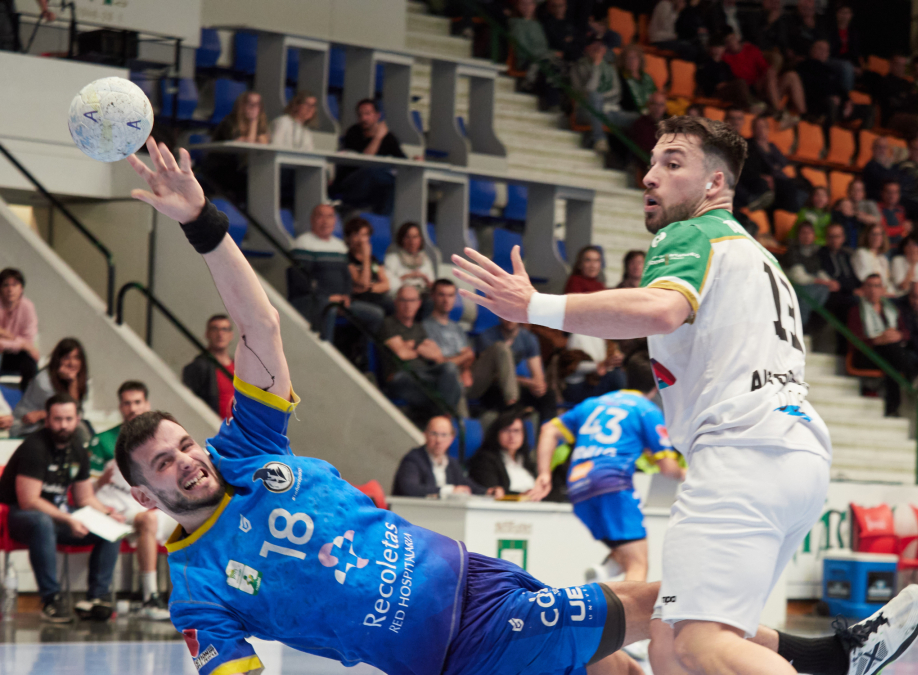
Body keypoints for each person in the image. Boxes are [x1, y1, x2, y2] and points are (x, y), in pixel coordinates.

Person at [113, 137, 656, 675]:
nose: (186, 460)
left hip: (477, 575)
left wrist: (202, 223)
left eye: (184, 444)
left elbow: (261, 325)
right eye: (163, 462)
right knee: (665, 609)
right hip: (458, 645)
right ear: (143, 496)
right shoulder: (196, 590)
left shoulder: (246, 448)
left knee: (618, 670)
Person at [449, 115, 918, 675]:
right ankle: (834, 657)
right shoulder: (760, 256)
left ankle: (834, 660)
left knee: (701, 644)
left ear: (714, 184)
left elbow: (661, 309)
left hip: (741, 452)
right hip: (793, 454)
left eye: (672, 163)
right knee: (669, 641)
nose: (650, 176)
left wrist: (535, 306)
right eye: (652, 162)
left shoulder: (693, 232)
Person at [529, 353, 685, 585]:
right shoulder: (647, 410)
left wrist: (544, 474)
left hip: (578, 487)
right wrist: (690, 475)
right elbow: (669, 469)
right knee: (638, 565)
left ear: (626, 376)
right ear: (656, 384)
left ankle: (602, 575)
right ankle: (623, 608)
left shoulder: (592, 404)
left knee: (625, 553)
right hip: (612, 485)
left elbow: (548, 430)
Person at [0, 393, 122, 622]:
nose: (63, 425)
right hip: (20, 516)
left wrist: (108, 513)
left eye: (68, 419)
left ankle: (96, 599)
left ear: (77, 420)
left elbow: (84, 497)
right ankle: (51, 600)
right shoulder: (35, 447)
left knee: (110, 528)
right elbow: (29, 501)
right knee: (42, 522)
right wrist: (68, 520)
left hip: (58, 514)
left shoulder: (78, 449)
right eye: (57, 419)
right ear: (47, 420)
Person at [87, 381, 177, 620]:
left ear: (147, 404)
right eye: (127, 403)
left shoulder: (160, 439)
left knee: (191, 522)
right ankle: (150, 598)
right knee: (147, 520)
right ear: (120, 407)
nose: (133, 408)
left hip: (151, 507)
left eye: (138, 402)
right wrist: (100, 483)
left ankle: (187, 599)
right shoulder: (103, 440)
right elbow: (86, 490)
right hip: (115, 508)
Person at [289, 204, 386, 342]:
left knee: (376, 314)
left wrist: (346, 296)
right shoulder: (303, 243)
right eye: (320, 216)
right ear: (312, 219)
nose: (325, 221)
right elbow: (301, 280)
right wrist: (328, 298)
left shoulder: (339, 246)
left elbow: (346, 277)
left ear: (335, 221)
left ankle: (360, 352)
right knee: (330, 308)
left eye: (330, 216)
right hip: (312, 299)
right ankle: (325, 349)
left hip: (339, 300)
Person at [381, 285, 462, 421]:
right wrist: (420, 348)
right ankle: (443, 420)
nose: (408, 305)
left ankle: (439, 418)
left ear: (418, 303)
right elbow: (402, 354)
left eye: (412, 300)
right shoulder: (389, 323)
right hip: (401, 376)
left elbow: (437, 356)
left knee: (450, 368)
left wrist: (411, 345)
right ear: (396, 302)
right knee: (449, 387)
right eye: (403, 300)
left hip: (424, 374)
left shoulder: (420, 328)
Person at [847, 274, 918, 416]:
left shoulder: (892, 309)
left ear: (883, 289)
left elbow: (906, 333)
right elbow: (853, 340)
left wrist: (898, 335)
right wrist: (877, 340)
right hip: (866, 354)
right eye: (869, 286)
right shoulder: (855, 311)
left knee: (891, 359)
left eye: (877, 286)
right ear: (863, 289)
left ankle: (892, 408)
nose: (873, 290)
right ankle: (913, 374)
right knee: (892, 352)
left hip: (890, 354)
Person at [392, 416, 501, 498]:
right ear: (425, 434)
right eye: (434, 434)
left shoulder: (451, 462)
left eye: (444, 435)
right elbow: (409, 488)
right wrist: (449, 490)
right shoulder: (414, 459)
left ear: (451, 438)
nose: (439, 440)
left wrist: (487, 492)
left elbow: (466, 484)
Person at [475, 319, 554, 424]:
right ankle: (510, 426)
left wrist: (539, 386)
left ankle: (548, 430)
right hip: (494, 385)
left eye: (513, 315)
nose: (510, 319)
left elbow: (538, 373)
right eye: (506, 315)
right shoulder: (487, 337)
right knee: (500, 391)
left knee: (548, 395)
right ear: (500, 316)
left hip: (518, 385)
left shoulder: (528, 338)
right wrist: (527, 382)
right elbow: (492, 376)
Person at [333, 99, 405, 215]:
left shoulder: (388, 137)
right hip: (351, 184)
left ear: (377, 115)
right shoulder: (353, 132)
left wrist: (415, 160)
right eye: (360, 115)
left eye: (367, 114)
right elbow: (365, 160)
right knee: (373, 172)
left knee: (392, 186)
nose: (363, 118)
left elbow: (402, 161)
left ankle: (382, 221)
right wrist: (377, 138)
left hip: (377, 185)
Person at [571, 38, 639, 154]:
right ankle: (599, 139)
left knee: (639, 119)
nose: (597, 50)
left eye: (600, 47)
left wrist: (600, 98)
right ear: (587, 48)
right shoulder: (578, 67)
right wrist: (596, 67)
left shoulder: (610, 68)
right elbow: (586, 91)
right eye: (594, 47)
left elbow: (616, 92)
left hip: (610, 111)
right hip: (586, 110)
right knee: (594, 95)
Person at [12, 337, 89, 438]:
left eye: (76, 358)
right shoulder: (44, 380)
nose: (72, 363)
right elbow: (63, 411)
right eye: (66, 358)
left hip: (54, 424)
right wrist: (72, 382)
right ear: (58, 360)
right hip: (27, 427)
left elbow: (75, 413)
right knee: (80, 430)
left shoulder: (79, 380)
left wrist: (73, 382)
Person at [469, 409, 539, 495]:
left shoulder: (526, 461)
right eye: (506, 430)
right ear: (496, 433)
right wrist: (522, 496)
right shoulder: (484, 460)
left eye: (516, 431)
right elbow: (492, 493)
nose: (512, 436)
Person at [782, 221, 837, 325]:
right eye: (803, 233)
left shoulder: (814, 252)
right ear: (798, 235)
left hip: (810, 285)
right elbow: (798, 277)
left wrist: (830, 282)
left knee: (824, 289)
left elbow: (819, 271)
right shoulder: (792, 251)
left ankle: (812, 321)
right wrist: (822, 282)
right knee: (808, 292)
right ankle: (800, 325)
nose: (807, 236)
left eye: (810, 233)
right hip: (792, 285)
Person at [182, 315, 236, 420]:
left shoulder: (238, 366)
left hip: (240, 427)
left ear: (231, 335)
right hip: (213, 426)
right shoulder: (198, 367)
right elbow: (189, 405)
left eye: (224, 329)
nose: (220, 334)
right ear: (207, 334)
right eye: (215, 329)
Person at [0, 267, 38, 391]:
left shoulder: (28, 307)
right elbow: (24, 343)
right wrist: (16, 340)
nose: (10, 289)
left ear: (21, 288)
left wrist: (7, 338)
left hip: (16, 353)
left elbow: (28, 341)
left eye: (14, 285)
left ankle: (27, 398)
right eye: (6, 285)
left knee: (30, 362)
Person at [509, 0, 560, 93]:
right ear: (518, 6)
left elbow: (543, 46)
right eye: (523, 4)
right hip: (528, 61)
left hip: (543, 59)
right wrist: (550, 53)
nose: (527, 7)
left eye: (530, 4)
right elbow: (522, 50)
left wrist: (550, 54)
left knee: (558, 68)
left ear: (534, 6)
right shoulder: (516, 24)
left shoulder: (537, 24)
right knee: (550, 70)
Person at [344, 216, 391, 316]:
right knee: (381, 311)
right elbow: (363, 283)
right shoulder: (347, 259)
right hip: (359, 300)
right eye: (356, 235)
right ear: (348, 238)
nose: (361, 240)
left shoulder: (373, 258)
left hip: (375, 296)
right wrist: (366, 257)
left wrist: (370, 289)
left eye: (364, 235)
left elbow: (386, 284)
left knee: (396, 305)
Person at [383, 221, 438, 297]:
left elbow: (432, 284)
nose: (412, 241)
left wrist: (426, 279)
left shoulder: (425, 259)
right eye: (408, 237)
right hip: (400, 297)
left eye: (415, 237)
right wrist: (407, 276)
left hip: (422, 295)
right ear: (401, 239)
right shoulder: (392, 258)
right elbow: (387, 285)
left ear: (420, 239)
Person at [695, 39, 753, 110]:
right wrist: (716, 86)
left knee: (741, 83)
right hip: (713, 93)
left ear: (724, 48)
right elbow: (701, 81)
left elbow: (731, 79)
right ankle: (748, 107)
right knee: (740, 84)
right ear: (710, 48)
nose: (718, 50)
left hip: (726, 90)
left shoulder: (725, 65)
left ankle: (747, 107)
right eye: (715, 47)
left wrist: (726, 84)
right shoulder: (705, 64)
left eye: (720, 47)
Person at [878, 54, 918, 139]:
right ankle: (915, 146)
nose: (902, 68)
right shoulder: (885, 81)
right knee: (915, 121)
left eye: (903, 65)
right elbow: (894, 103)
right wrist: (909, 97)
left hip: (910, 114)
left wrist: (905, 97)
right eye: (898, 65)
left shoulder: (907, 83)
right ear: (891, 65)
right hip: (892, 117)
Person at [852, 223, 897, 296]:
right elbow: (864, 277)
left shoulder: (883, 258)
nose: (877, 237)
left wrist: (890, 292)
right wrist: (881, 290)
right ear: (867, 236)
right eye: (874, 234)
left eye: (880, 234)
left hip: (885, 293)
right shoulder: (861, 253)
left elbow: (887, 281)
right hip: (870, 292)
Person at [618, 45, 658, 116]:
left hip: (652, 112)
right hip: (633, 114)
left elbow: (656, 95)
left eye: (635, 58)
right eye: (628, 58)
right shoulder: (621, 79)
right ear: (623, 61)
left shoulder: (647, 77)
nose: (632, 61)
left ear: (640, 60)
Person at [876, 181, 911, 247]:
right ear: (882, 193)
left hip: (900, 247)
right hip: (884, 247)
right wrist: (903, 228)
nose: (892, 195)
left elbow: (905, 230)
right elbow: (883, 231)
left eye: (895, 192)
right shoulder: (877, 208)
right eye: (889, 192)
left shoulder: (901, 209)